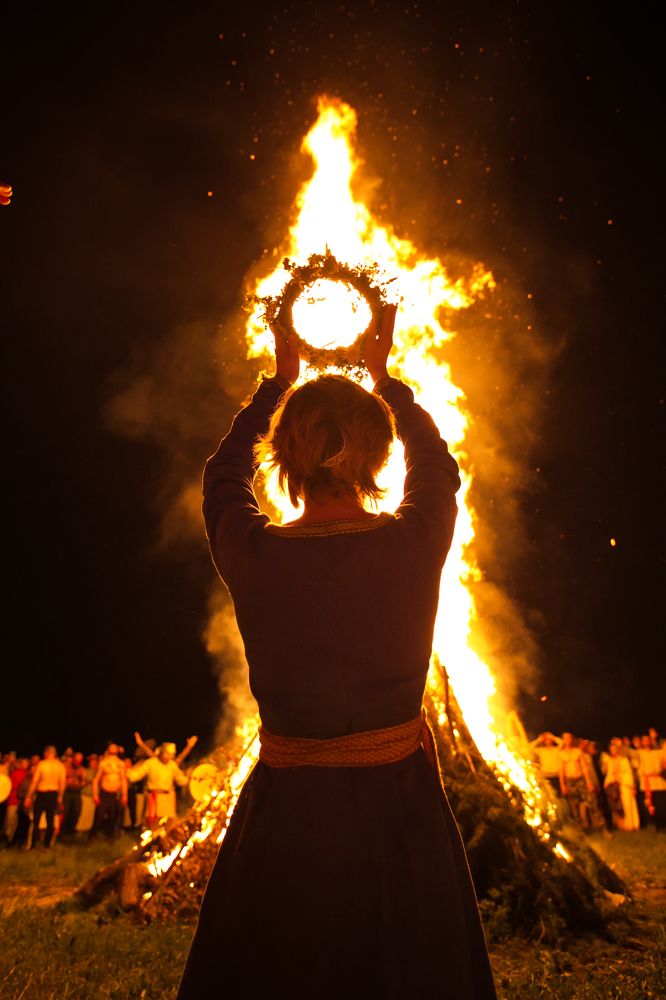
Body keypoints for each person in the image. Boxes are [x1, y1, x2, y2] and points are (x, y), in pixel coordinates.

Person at [176, 306, 497, 998]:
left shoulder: (253, 551)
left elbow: (221, 476)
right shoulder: (415, 542)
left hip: (287, 820)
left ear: (282, 455)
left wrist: (275, 386)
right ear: (381, 456)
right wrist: (389, 383)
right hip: (399, 815)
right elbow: (440, 468)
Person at [127, 740, 189, 828]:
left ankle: (167, 840)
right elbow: (137, 775)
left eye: (171, 755)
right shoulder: (150, 763)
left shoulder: (172, 765)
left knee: (170, 823)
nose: (168, 757)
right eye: (167, 754)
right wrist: (128, 773)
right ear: (161, 753)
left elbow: (181, 779)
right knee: (153, 824)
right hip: (153, 798)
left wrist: (190, 779)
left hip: (168, 799)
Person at [24, 746, 66, 848]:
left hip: (42, 793)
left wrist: (28, 796)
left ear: (46, 753)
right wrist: (60, 796)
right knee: (50, 820)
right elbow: (63, 782)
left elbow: (34, 781)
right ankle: (47, 844)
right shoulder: (60, 766)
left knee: (36, 820)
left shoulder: (42, 764)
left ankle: (32, 845)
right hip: (53, 793)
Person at [558, 732, 596, 829]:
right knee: (574, 806)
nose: (567, 740)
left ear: (572, 740)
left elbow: (584, 767)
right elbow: (561, 771)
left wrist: (588, 782)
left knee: (591, 801)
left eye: (569, 738)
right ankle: (580, 829)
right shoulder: (561, 754)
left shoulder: (578, 752)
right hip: (570, 782)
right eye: (565, 738)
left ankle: (601, 826)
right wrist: (562, 785)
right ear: (563, 740)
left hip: (581, 780)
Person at [90, 743, 127, 840]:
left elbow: (123, 779)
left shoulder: (121, 764)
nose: (113, 750)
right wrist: (95, 794)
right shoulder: (103, 763)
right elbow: (96, 779)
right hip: (104, 793)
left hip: (115, 794)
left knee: (113, 816)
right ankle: (93, 834)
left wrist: (124, 795)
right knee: (98, 816)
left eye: (115, 749)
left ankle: (110, 836)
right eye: (112, 749)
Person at [602, 738, 639, 831]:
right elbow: (609, 772)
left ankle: (630, 824)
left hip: (624, 784)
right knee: (616, 803)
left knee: (627, 802)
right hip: (614, 784)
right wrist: (609, 781)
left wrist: (626, 781)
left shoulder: (624, 760)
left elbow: (628, 772)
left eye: (615, 749)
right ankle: (620, 823)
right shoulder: (609, 760)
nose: (613, 751)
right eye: (612, 749)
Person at [61, 751, 87, 840]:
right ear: (73, 759)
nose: (77, 762)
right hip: (66, 792)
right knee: (65, 812)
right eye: (76, 760)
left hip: (76, 793)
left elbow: (84, 781)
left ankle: (70, 830)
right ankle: (61, 832)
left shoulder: (82, 769)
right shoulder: (65, 767)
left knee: (76, 811)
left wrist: (80, 784)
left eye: (80, 761)